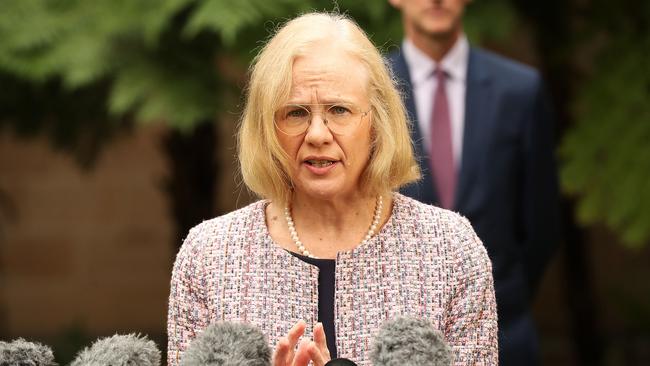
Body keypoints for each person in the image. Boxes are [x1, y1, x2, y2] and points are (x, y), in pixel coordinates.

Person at [168, 12, 498, 366]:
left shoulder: (450, 250)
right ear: (268, 128)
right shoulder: (208, 256)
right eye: (295, 113)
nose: (317, 134)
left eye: (339, 110)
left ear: (377, 121)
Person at [387, 1, 560, 365]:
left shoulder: (520, 91)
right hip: (394, 337)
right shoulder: (370, 92)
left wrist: (503, 296)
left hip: (506, 333)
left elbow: (541, 223)